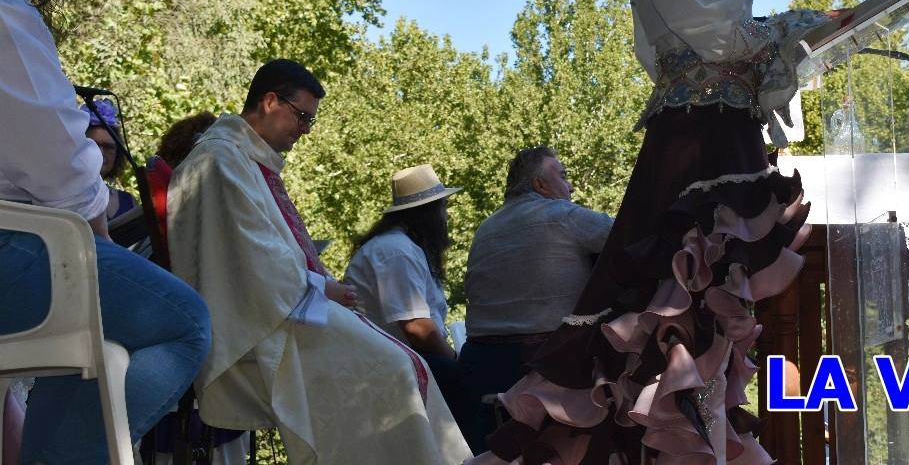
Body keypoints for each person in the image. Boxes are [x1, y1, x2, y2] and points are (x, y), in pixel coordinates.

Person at [472, 0, 823, 464]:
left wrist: (774, 40)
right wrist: (793, 30)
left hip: (686, 123)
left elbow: (670, 43)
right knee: (691, 299)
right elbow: (711, 29)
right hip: (711, 130)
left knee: (664, 304)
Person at [0, 0, 212, 464]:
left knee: (82, 336)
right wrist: (98, 238)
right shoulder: (7, 20)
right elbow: (62, 173)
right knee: (182, 321)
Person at [167, 60, 470, 464]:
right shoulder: (219, 160)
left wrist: (319, 283)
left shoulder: (244, 159)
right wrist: (321, 287)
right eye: (302, 116)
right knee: (393, 371)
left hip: (288, 309)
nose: (306, 130)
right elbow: (250, 262)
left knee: (405, 367)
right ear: (271, 101)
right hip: (263, 323)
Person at [459, 146, 613, 453]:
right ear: (539, 185)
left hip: (478, 368)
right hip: (541, 371)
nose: (570, 186)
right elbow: (628, 238)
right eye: (563, 175)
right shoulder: (562, 215)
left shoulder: (484, 229)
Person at [343, 164, 476, 448]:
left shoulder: (400, 247)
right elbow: (417, 329)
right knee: (471, 385)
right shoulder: (395, 251)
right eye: (442, 209)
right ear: (428, 213)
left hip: (398, 361)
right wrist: (455, 359)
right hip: (393, 366)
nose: (446, 217)